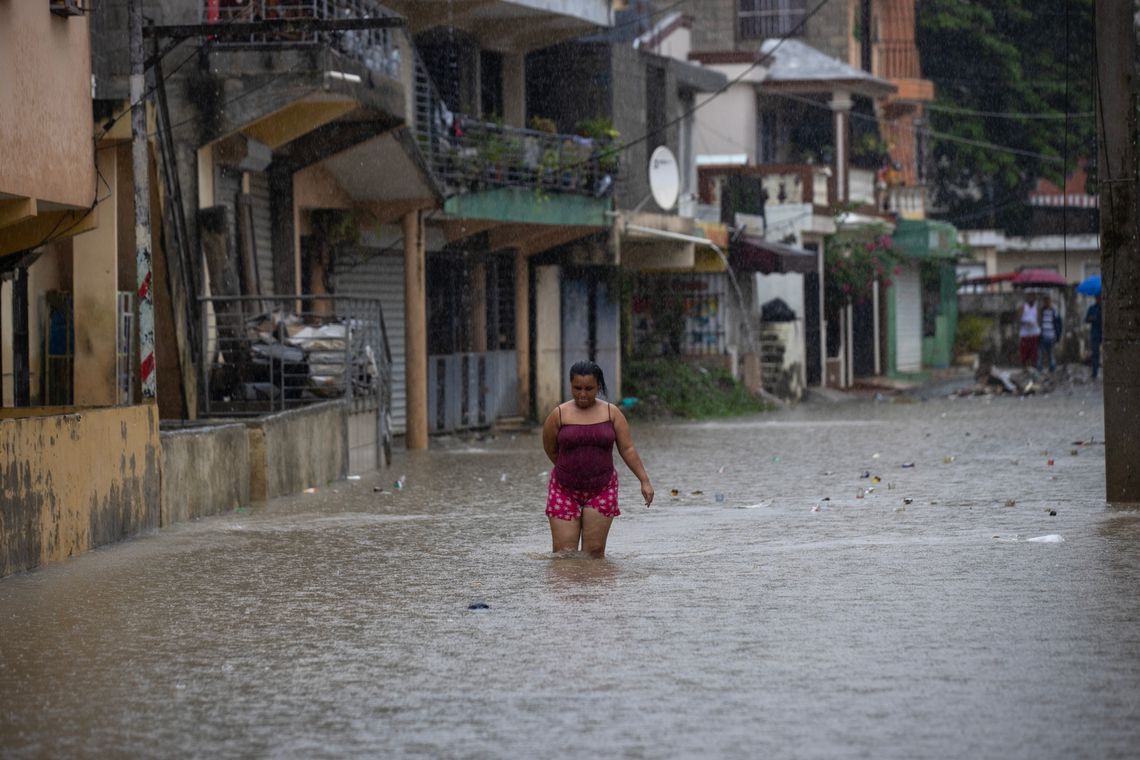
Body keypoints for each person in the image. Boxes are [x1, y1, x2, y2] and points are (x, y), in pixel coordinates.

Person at [542, 360, 654, 558]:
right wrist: (570, 468)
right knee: (563, 556)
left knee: (593, 555)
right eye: (577, 388)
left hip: (602, 490)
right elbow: (550, 447)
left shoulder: (612, 413)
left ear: (599, 387)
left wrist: (644, 480)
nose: (583, 394)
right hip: (564, 490)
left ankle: (595, 590)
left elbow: (627, 449)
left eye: (589, 388)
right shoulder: (559, 414)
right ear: (570, 385)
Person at [1037, 294, 1062, 372]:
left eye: (1048, 301)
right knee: (1040, 354)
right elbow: (1039, 322)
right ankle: (1039, 368)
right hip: (1043, 335)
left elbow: (1059, 324)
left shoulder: (1054, 311)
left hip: (1051, 336)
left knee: (1050, 354)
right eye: (1045, 301)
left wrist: (1058, 335)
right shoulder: (1041, 311)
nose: (1046, 303)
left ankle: (1052, 368)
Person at [1018, 293, 1041, 369]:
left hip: (1034, 333)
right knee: (1024, 353)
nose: (1032, 299)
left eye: (1033, 297)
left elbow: (1037, 319)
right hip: (1025, 334)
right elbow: (1019, 320)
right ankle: (1024, 368)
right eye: (1030, 296)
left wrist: (1034, 323)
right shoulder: (1023, 307)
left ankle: (1033, 368)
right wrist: (1026, 322)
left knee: (1034, 353)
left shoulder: (1036, 308)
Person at [1086, 295, 1103, 379]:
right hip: (1095, 334)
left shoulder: (1104, 308)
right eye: (1097, 298)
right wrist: (1091, 318)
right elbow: (1086, 319)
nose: (1098, 299)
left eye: (1099, 298)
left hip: (1104, 334)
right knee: (1095, 354)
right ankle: (1094, 373)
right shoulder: (1092, 308)